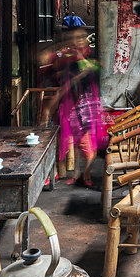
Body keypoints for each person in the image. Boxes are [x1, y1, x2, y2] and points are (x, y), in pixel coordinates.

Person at [40, 27, 105, 187]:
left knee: (88, 143)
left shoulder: (91, 57)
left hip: (88, 105)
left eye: (81, 37)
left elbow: (94, 73)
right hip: (71, 105)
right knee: (74, 141)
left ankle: (86, 174)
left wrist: (83, 67)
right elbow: (54, 69)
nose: (78, 40)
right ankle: (76, 173)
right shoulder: (67, 56)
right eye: (74, 38)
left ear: (86, 39)